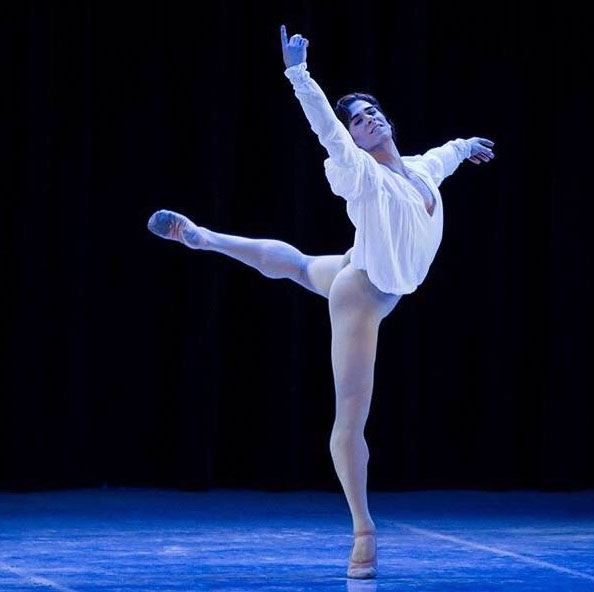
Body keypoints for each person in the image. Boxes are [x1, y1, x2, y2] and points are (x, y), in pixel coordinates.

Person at [147, 24, 495, 580]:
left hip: (365, 269)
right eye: (358, 119)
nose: (368, 119)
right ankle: (363, 532)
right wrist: (298, 74)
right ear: (354, 139)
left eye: (372, 111)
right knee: (350, 421)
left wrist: (468, 146)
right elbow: (327, 132)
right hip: (363, 296)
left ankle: (205, 238)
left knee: (304, 266)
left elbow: (444, 155)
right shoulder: (361, 175)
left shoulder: (421, 170)